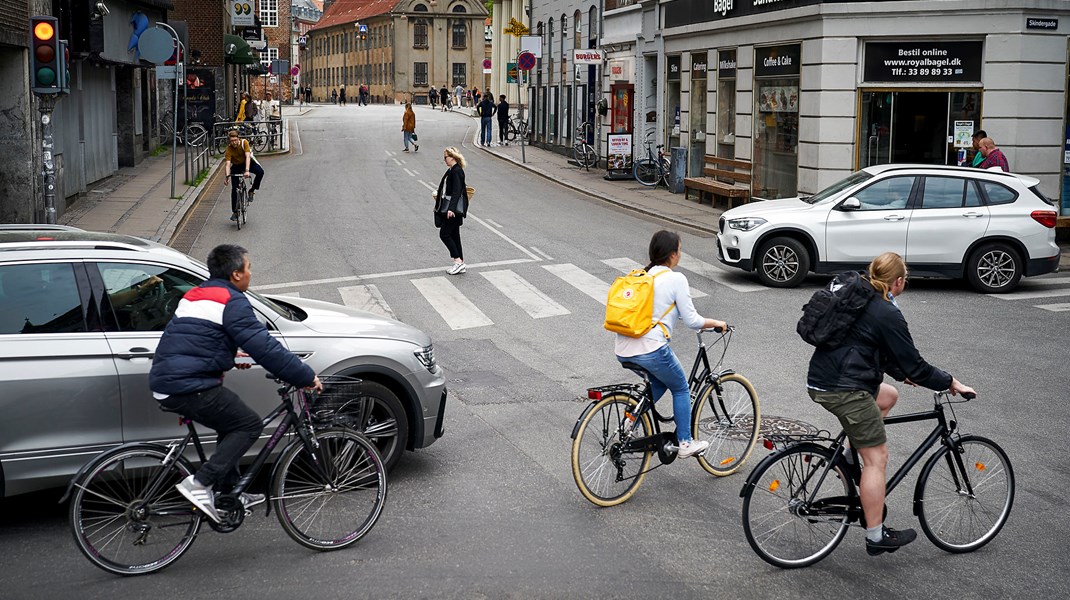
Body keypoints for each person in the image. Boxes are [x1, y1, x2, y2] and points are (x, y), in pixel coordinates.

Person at [806, 252, 975, 557]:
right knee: (877, 459)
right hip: (845, 389)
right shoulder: (886, 311)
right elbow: (915, 363)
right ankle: (875, 535)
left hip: (822, 380)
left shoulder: (860, 295)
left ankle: (848, 456)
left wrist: (901, 375)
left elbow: (870, 345)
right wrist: (951, 382)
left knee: (888, 396)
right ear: (898, 281)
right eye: (905, 280)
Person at [150, 244, 323, 523]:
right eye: (248, 267)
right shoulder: (232, 301)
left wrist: (231, 355)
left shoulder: (198, 294)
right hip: (188, 385)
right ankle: (199, 484)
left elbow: (198, 338)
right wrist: (305, 376)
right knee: (249, 425)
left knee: (229, 424)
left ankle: (228, 492)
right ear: (235, 274)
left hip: (170, 380)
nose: (250, 272)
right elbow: (265, 347)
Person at [614, 230, 726, 458]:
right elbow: (693, 320)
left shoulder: (640, 276)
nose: (680, 254)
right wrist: (717, 323)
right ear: (673, 254)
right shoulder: (676, 279)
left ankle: (629, 422)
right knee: (680, 387)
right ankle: (685, 442)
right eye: (680, 250)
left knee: (661, 382)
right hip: (650, 349)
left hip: (623, 348)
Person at [433, 147, 469, 275]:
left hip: (453, 209)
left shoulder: (456, 171)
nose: (444, 160)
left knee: (444, 234)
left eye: (446, 157)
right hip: (452, 208)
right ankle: (460, 263)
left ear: (452, 157)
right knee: (454, 235)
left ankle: (458, 261)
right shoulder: (452, 170)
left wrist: (451, 209)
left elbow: (457, 191)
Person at [223, 129, 264, 221]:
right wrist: (227, 177)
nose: (234, 142)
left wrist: (247, 170)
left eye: (235, 140)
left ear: (238, 138)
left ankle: (251, 191)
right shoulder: (229, 149)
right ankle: (235, 212)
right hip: (236, 166)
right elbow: (228, 164)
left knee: (260, 172)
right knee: (234, 189)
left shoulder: (244, 142)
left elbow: (247, 156)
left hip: (247, 163)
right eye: (231, 141)